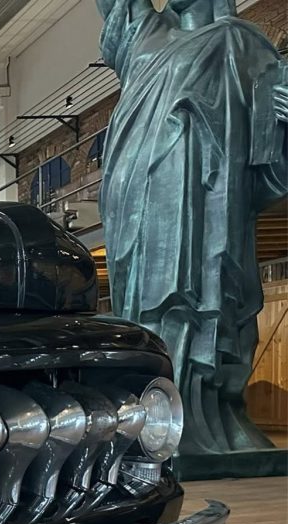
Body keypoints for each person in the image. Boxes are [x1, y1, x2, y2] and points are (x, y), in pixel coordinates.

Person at [97, 0, 288, 454]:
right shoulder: (145, 35)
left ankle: (203, 416)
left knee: (202, 295)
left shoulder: (242, 42)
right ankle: (149, 413)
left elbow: (269, 143)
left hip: (210, 197)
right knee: (144, 302)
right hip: (136, 194)